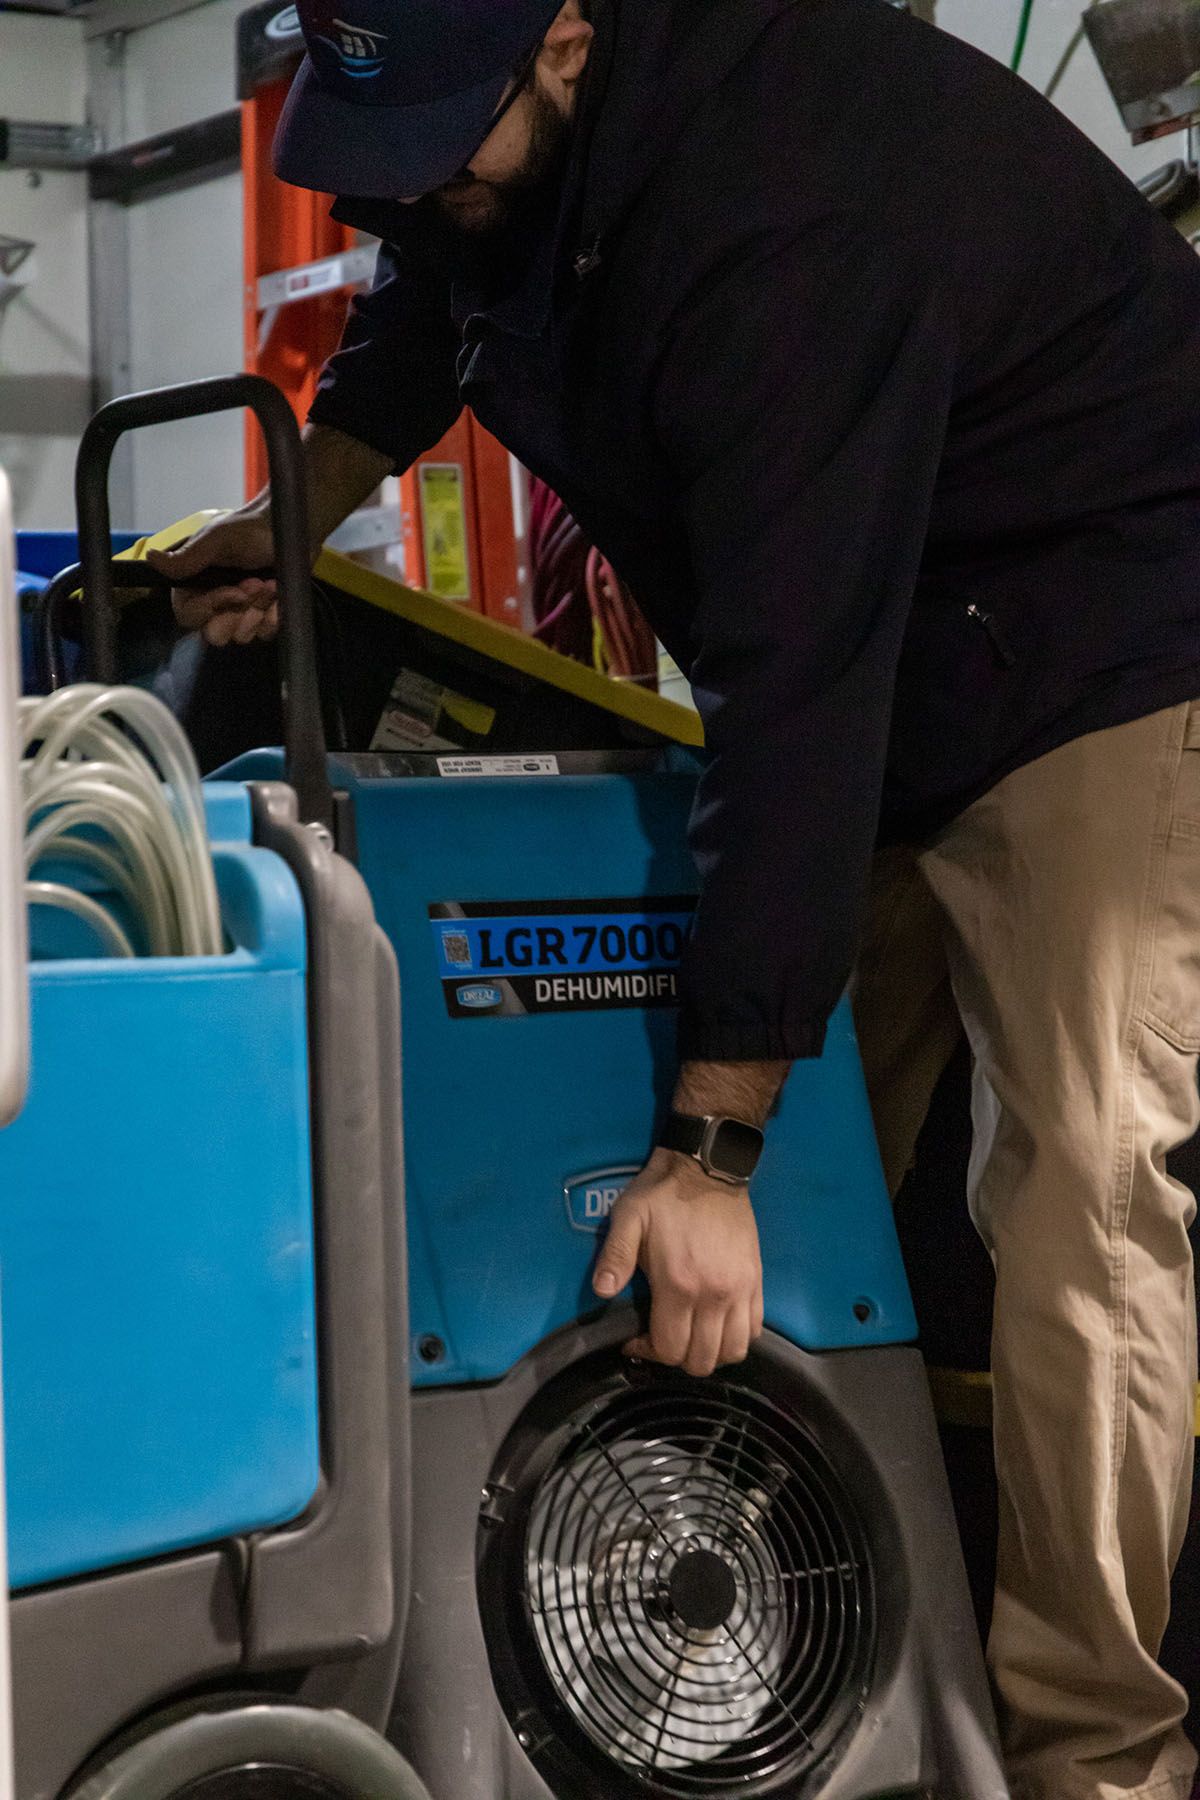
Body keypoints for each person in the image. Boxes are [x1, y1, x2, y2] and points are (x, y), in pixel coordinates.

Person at [148, 2, 1200, 1793]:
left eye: (446, 139)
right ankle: (774, 1685)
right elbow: (435, 292)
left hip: (1102, 632)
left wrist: (715, 1146)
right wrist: (294, 511)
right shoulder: (508, 156)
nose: (422, 182)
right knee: (794, 1192)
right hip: (873, 649)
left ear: (565, 40)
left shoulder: (789, 205)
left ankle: (1092, 1751)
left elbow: (796, 677)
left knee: (1078, 1195)